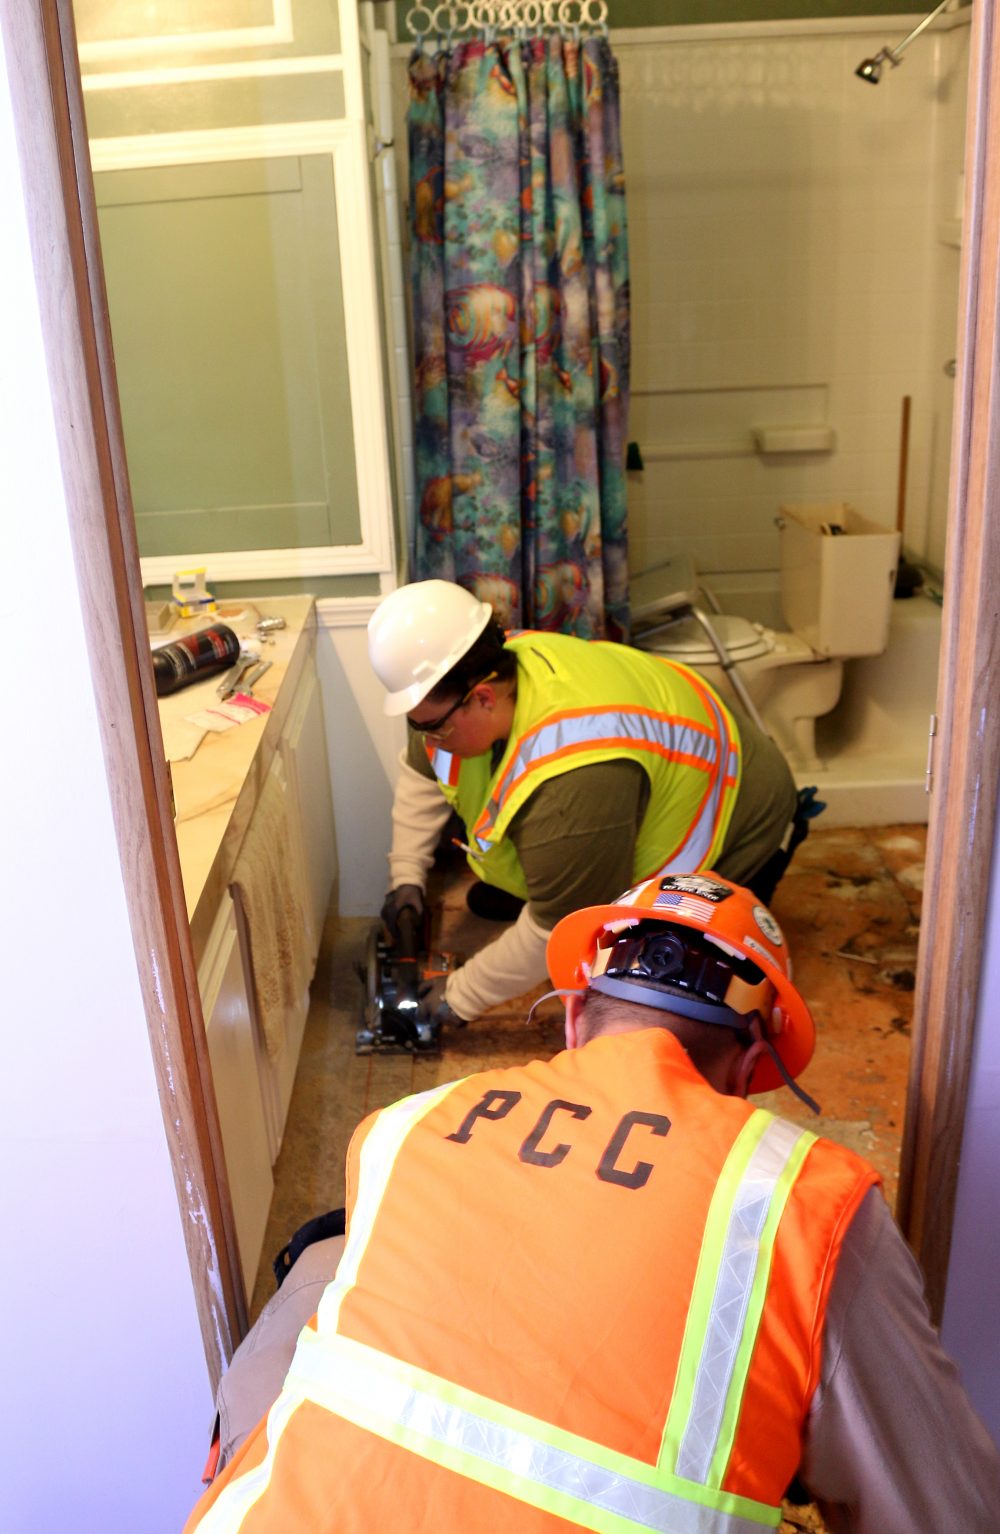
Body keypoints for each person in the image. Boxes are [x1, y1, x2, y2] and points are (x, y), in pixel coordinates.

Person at [185, 874, 999, 1533]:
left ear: (575, 1018)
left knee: (326, 1259)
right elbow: (947, 1511)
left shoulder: (402, 1125)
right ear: (753, 1068)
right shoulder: (806, 1201)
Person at [370, 578, 813, 1027]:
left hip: (740, 820)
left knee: (649, 1000)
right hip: (642, 788)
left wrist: (454, 999)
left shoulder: (574, 780)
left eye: (435, 729)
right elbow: (420, 772)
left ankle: (578, 883)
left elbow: (557, 926)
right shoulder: (484, 667)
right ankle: (562, 876)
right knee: (558, 878)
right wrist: (406, 879)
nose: (430, 741)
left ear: (481, 697)